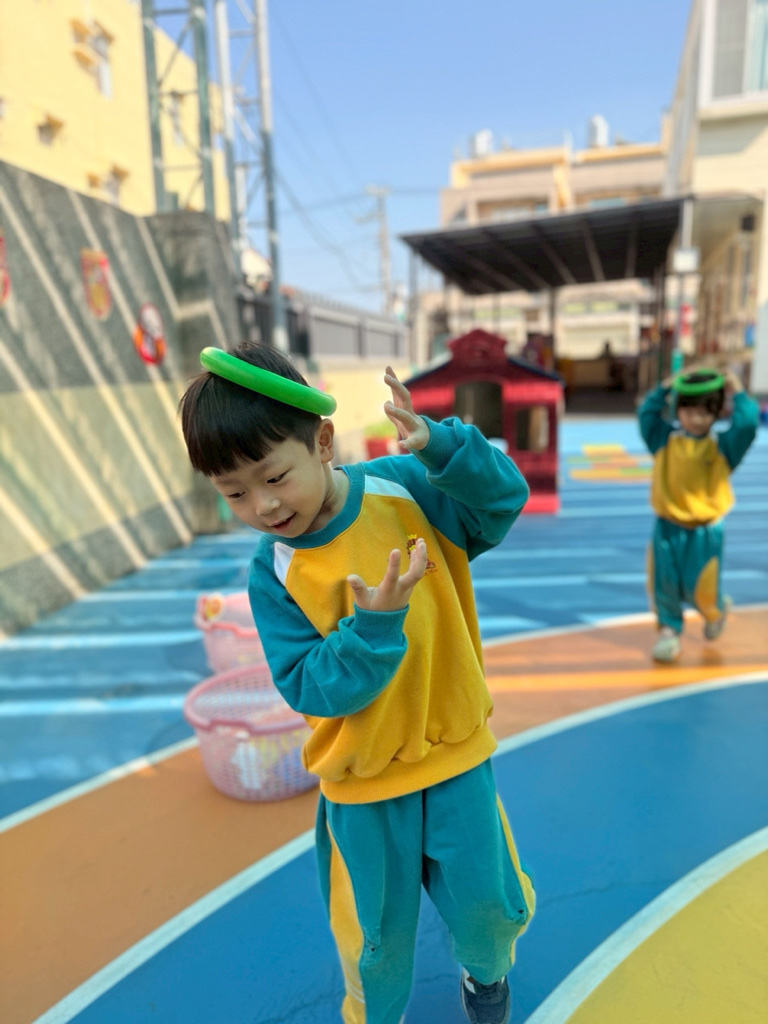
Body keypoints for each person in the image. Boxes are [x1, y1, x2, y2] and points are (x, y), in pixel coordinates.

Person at [179, 342, 535, 1024]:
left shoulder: (407, 486)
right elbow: (308, 687)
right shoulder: (274, 571)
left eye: (274, 476)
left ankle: (486, 977)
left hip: (456, 758)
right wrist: (373, 629)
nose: (262, 504)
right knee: (374, 941)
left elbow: (502, 502)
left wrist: (445, 449)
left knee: (490, 908)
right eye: (234, 492)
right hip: (364, 786)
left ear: (321, 442)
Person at [638, 366, 759, 662]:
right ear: (677, 411)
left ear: (716, 414)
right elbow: (646, 415)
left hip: (705, 530)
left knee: (701, 584)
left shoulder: (723, 447)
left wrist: (737, 390)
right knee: (664, 580)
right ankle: (669, 630)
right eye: (688, 411)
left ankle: (714, 610)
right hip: (668, 526)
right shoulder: (664, 441)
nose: (695, 419)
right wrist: (665, 388)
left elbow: (747, 425)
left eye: (704, 413)